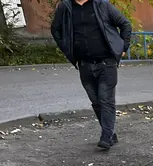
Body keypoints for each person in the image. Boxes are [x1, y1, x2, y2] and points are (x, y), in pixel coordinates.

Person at [51, 0, 132, 150]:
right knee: (96, 101)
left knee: (105, 99)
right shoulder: (66, 7)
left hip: (106, 63)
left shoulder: (102, 5)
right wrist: (66, 48)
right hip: (84, 64)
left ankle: (106, 136)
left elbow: (125, 24)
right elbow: (55, 30)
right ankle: (110, 133)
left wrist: (123, 47)